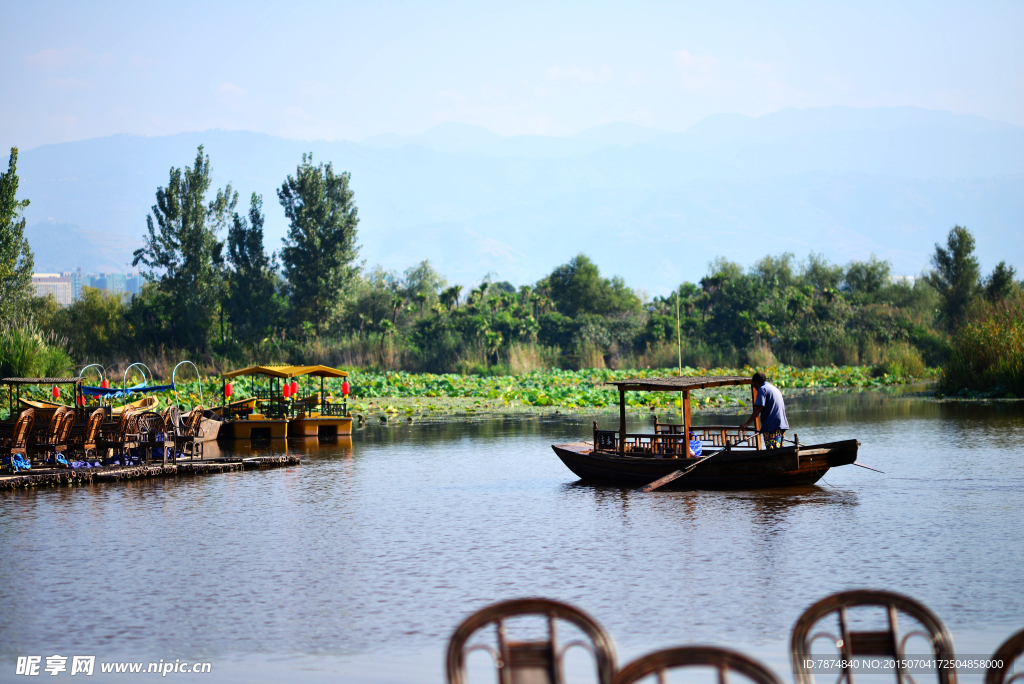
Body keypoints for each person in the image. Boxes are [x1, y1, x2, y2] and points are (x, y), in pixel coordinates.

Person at [739, 372, 789, 449]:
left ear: (756, 382)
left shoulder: (762, 389)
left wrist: (747, 424)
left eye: (753, 384)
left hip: (771, 427)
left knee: (772, 452)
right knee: (779, 450)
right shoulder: (774, 388)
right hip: (781, 425)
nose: (754, 387)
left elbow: (758, 409)